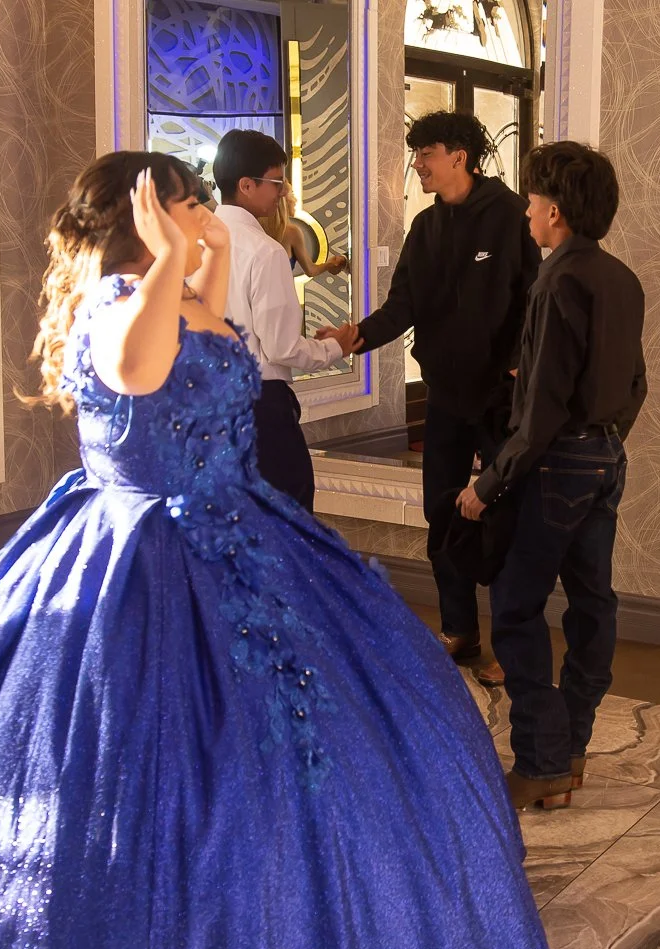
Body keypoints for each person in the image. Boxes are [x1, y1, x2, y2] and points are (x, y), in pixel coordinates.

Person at [0, 150, 558, 949]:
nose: (203, 218)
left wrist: (215, 259)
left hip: (241, 521)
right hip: (141, 548)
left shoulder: (179, 295)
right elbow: (139, 373)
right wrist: (168, 266)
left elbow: (212, 355)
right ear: (145, 220)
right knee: (144, 753)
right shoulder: (119, 306)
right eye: (191, 208)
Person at [320, 111, 541, 686]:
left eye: (427, 152)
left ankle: (511, 649)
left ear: (460, 157)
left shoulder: (513, 216)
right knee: (441, 512)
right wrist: (357, 336)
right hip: (446, 396)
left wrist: (519, 365)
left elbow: (535, 300)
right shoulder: (425, 227)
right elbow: (404, 306)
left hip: (503, 399)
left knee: (505, 517)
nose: (417, 162)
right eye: (417, 153)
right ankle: (460, 629)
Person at [455, 142, 646, 810]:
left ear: (555, 210)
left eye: (533, 202)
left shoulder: (557, 280)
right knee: (594, 605)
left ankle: (539, 762)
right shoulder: (621, 278)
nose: (528, 213)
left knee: (515, 607)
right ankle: (570, 752)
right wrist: (603, 438)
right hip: (606, 457)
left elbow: (538, 413)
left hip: (558, 462)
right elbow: (635, 384)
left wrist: (488, 482)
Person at [212, 130, 362, 511]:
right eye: (277, 182)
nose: (282, 192)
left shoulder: (192, 242)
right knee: (287, 516)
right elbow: (281, 347)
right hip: (258, 404)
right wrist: (335, 346)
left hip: (207, 400)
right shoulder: (264, 251)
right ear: (246, 185)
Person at [262, 179, 349, 279]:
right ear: (283, 201)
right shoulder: (292, 232)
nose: (295, 200)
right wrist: (330, 264)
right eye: (292, 194)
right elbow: (311, 271)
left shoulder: (256, 230)